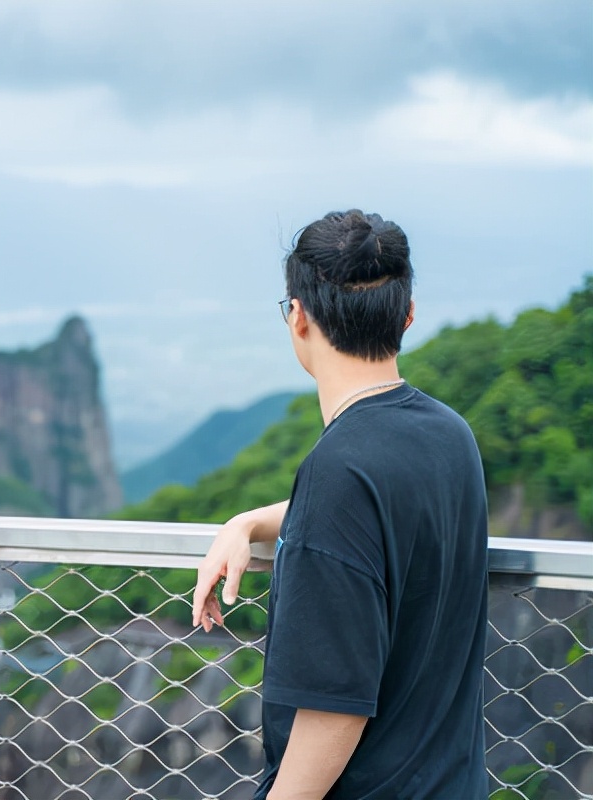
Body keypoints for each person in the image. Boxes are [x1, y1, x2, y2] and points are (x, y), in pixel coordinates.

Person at [191, 210, 489, 799]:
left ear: (297, 318)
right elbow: (382, 516)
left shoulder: (339, 471)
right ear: (406, 314)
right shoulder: (451, 435)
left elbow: (336, 711)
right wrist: (250, 521)